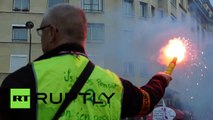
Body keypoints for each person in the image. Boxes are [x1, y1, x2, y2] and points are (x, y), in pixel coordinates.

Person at [0, 4, 172, 120]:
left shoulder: (23, 83)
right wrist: (161, 79)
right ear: (83, 36)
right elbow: (146, 101)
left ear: (51, 32)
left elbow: (13, 111)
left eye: (42, 31)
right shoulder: (114, 86)